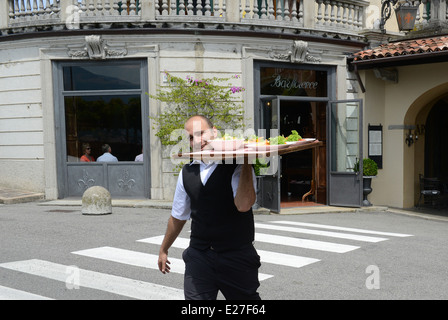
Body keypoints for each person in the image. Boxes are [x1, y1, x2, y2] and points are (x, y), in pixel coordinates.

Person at [158, 115, 261, 300]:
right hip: (199, 255)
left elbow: (244, 205)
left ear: (214, 133)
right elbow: (178, 216)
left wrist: (246, 160)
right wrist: (164, 249)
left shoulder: (238, 165)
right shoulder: (187, 171)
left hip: (236, 256)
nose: (197, 140)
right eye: (191, 137)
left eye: (201, 133)